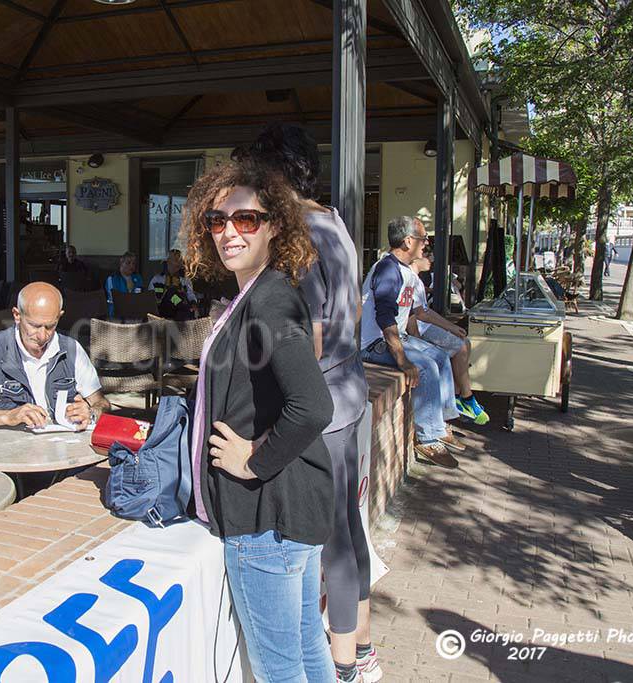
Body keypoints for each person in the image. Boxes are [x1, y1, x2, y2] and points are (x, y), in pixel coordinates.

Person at [182, 159, 335, 683]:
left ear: (274, 225)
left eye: (246, 219)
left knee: (277, 669)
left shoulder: (268, 300)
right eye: (217, 221)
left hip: (267, 516)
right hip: (290, 510)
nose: (229, 232)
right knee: (307, 644)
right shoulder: (261, 292)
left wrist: (253, 461)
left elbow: (313, 405)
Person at [250, 122, 379, 683]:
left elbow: (318, 330)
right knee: (350, 526)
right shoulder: (336, 224)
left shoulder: (301, 234)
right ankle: (364, 646)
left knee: (328, 538)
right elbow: (347, 318)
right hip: (351, 393)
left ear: (278, 174)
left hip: (322, 404)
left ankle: (345, 664)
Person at [361, 216, 463, 468]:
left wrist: (452, 328)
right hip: (374, 343)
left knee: (439, 356)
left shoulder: (406, 271)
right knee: (425, 366)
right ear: (408, 241)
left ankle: (440, 424)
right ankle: (427, 438)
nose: (426, 242)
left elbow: (419, 312)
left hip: (398, 337)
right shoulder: (387, 269)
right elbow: (384, 318)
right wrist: (403, 360)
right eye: (422, 238)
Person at [0, 282, 111, 430]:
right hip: (6, 457)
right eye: (34, 326)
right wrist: (6, 417)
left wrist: (91, 412)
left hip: (63, 455)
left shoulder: (72, 349)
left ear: (60, 316)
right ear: (17, 316)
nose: (42, 336)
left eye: (50, 326)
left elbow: (102, 403)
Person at [408, 254, 489, 425]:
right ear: (414, 257)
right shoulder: (408, 278)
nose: (430, 258)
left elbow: (424, 311)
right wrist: (417, 343)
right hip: (419, 330)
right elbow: (416, 317)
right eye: (425, 253)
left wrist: (450, 327)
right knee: (459, 348)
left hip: (424, 326)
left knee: (465, 342)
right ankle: (467, 398)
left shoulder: (417, 279)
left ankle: (458, 396)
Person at [148, 249, 197, 320]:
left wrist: (193, 302)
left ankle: (186, 311)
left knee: (179, 300)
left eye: (180, 260)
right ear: (168, 261)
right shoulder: (157, 279)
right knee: (171, 292)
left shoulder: (185, 280)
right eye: (176, 259)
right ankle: (186, 310)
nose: (179, 262)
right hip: (162, 309)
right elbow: (150, 297)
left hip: (180, 310)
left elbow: (190, 294)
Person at [103, 251, 143, 317]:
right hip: (116, 315)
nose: (131, 266)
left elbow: (141, 296)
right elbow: (114, 298)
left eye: (133, 263)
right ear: (121, 262)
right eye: (128, 263)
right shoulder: (112, 279)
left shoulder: (138, 278)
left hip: (135, 315)